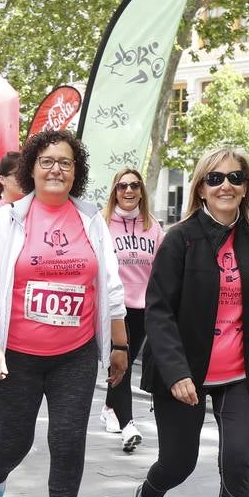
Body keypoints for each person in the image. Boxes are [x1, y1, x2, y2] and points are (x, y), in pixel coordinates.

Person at [0, 129, 128, 497]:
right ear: (31, 167)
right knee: (14, 441)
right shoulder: (9, 219)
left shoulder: (92, 219)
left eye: (66, 162)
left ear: (76, 172)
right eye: (47, 161)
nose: (56, 169)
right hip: (17, 353)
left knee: (69, 440)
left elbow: (111, 288)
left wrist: (118, 345)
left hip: (74, 353)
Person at [129, 149, 249, 497]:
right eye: (215, 178)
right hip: (184, 375)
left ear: (247, 186)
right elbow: (157, 310)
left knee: (238, 460)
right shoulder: (180, 240)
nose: (226, 185)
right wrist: (175, 372)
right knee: (179, 462)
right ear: (200, 186)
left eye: (236, 177)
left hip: (240, 377)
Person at [99, 166, 162, 453]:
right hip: (114, 307)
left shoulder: (152, 226)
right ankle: (128, 426)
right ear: (115, 190)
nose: (128, 191)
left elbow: (162, 269)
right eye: (122, 186)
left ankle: (110, 406)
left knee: (122, 364)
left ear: (141, 191)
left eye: (134, 186)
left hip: (142, 309)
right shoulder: (101, 223)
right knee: (119, 362)